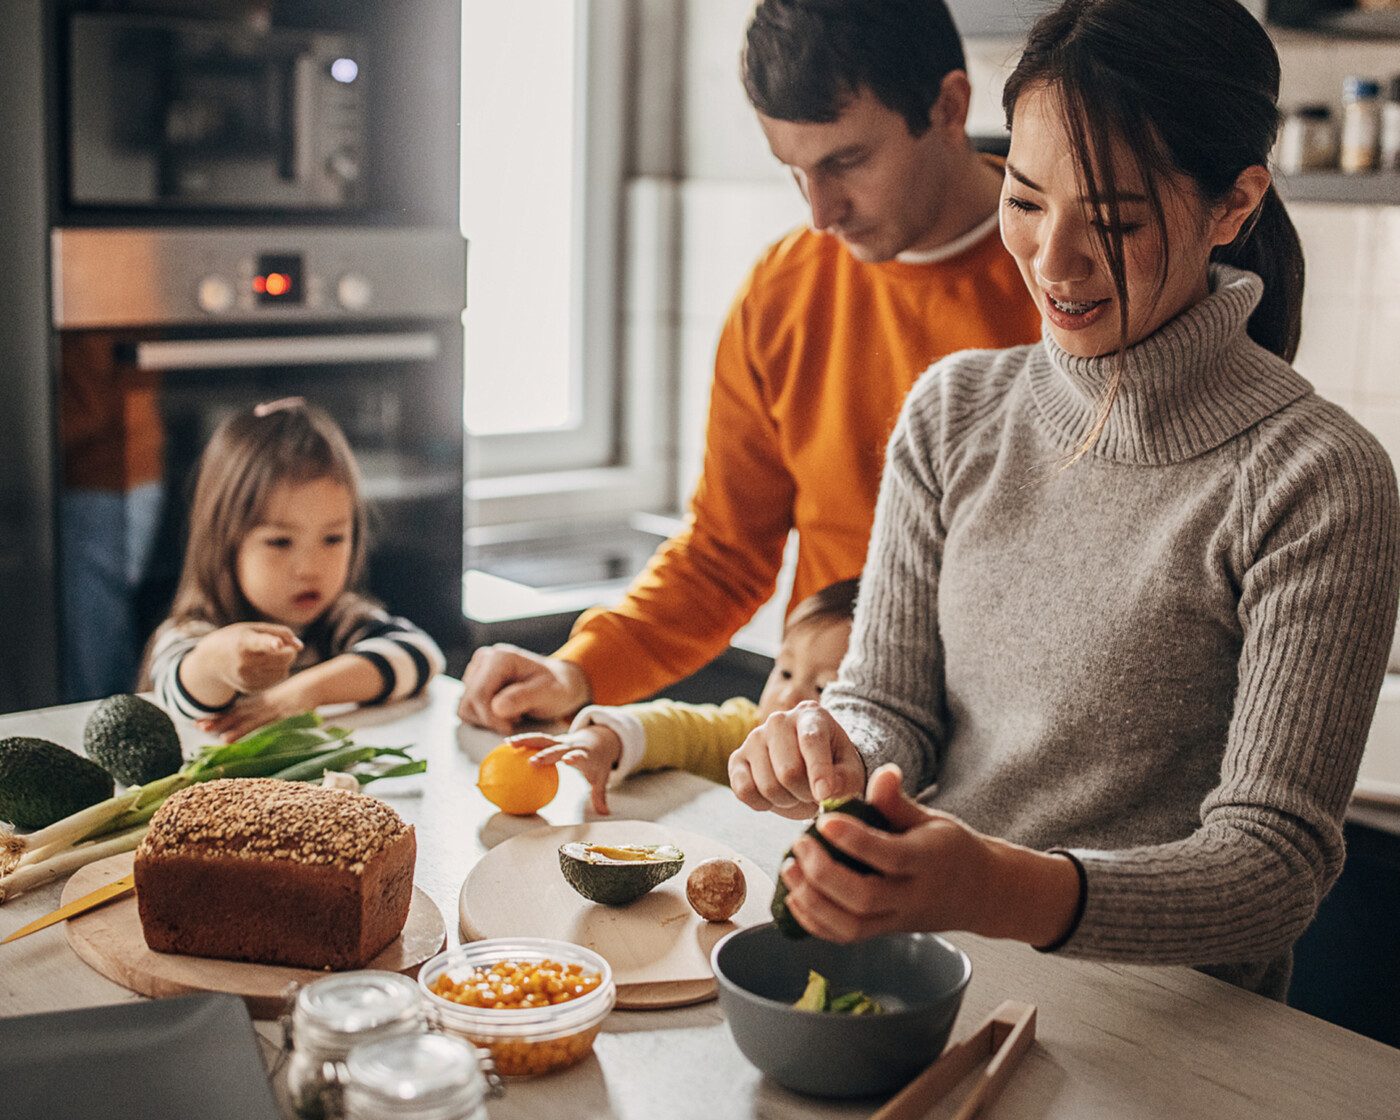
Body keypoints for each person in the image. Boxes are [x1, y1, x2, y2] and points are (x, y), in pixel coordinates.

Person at [728, 0, 1399, 1000]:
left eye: (1113, 221)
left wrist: (998, 889)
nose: (1051, 260)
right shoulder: (953, 411)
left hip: (1173, 1035)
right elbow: (890, 706)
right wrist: (828, 746)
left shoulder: (1312, 478)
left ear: (1232, 205)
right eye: (1027, 200)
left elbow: (1272, 869)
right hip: (937, 978)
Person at [458, 0, 1041, 733]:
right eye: (794, 172)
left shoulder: (1066, 283)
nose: (821, 214)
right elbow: (724, 554)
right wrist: (578, 669)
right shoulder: (785, 288)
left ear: (949, 105)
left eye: (846, 162)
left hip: (1008, 765)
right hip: (826, 756)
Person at [139, 399, 445, 741]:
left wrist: (304, 693)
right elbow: (182, 690)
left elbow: (421, 655)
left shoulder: (337, 622)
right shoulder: (193, 630)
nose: (309, 569)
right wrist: (218, 660)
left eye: (332, 538)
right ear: (225, 542)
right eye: (280, 542)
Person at [522, 579, 857, 815]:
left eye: (824, 688)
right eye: (784, 672)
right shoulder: (748, 730)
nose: (789, 697)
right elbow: (680, 728)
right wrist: (605, 738)